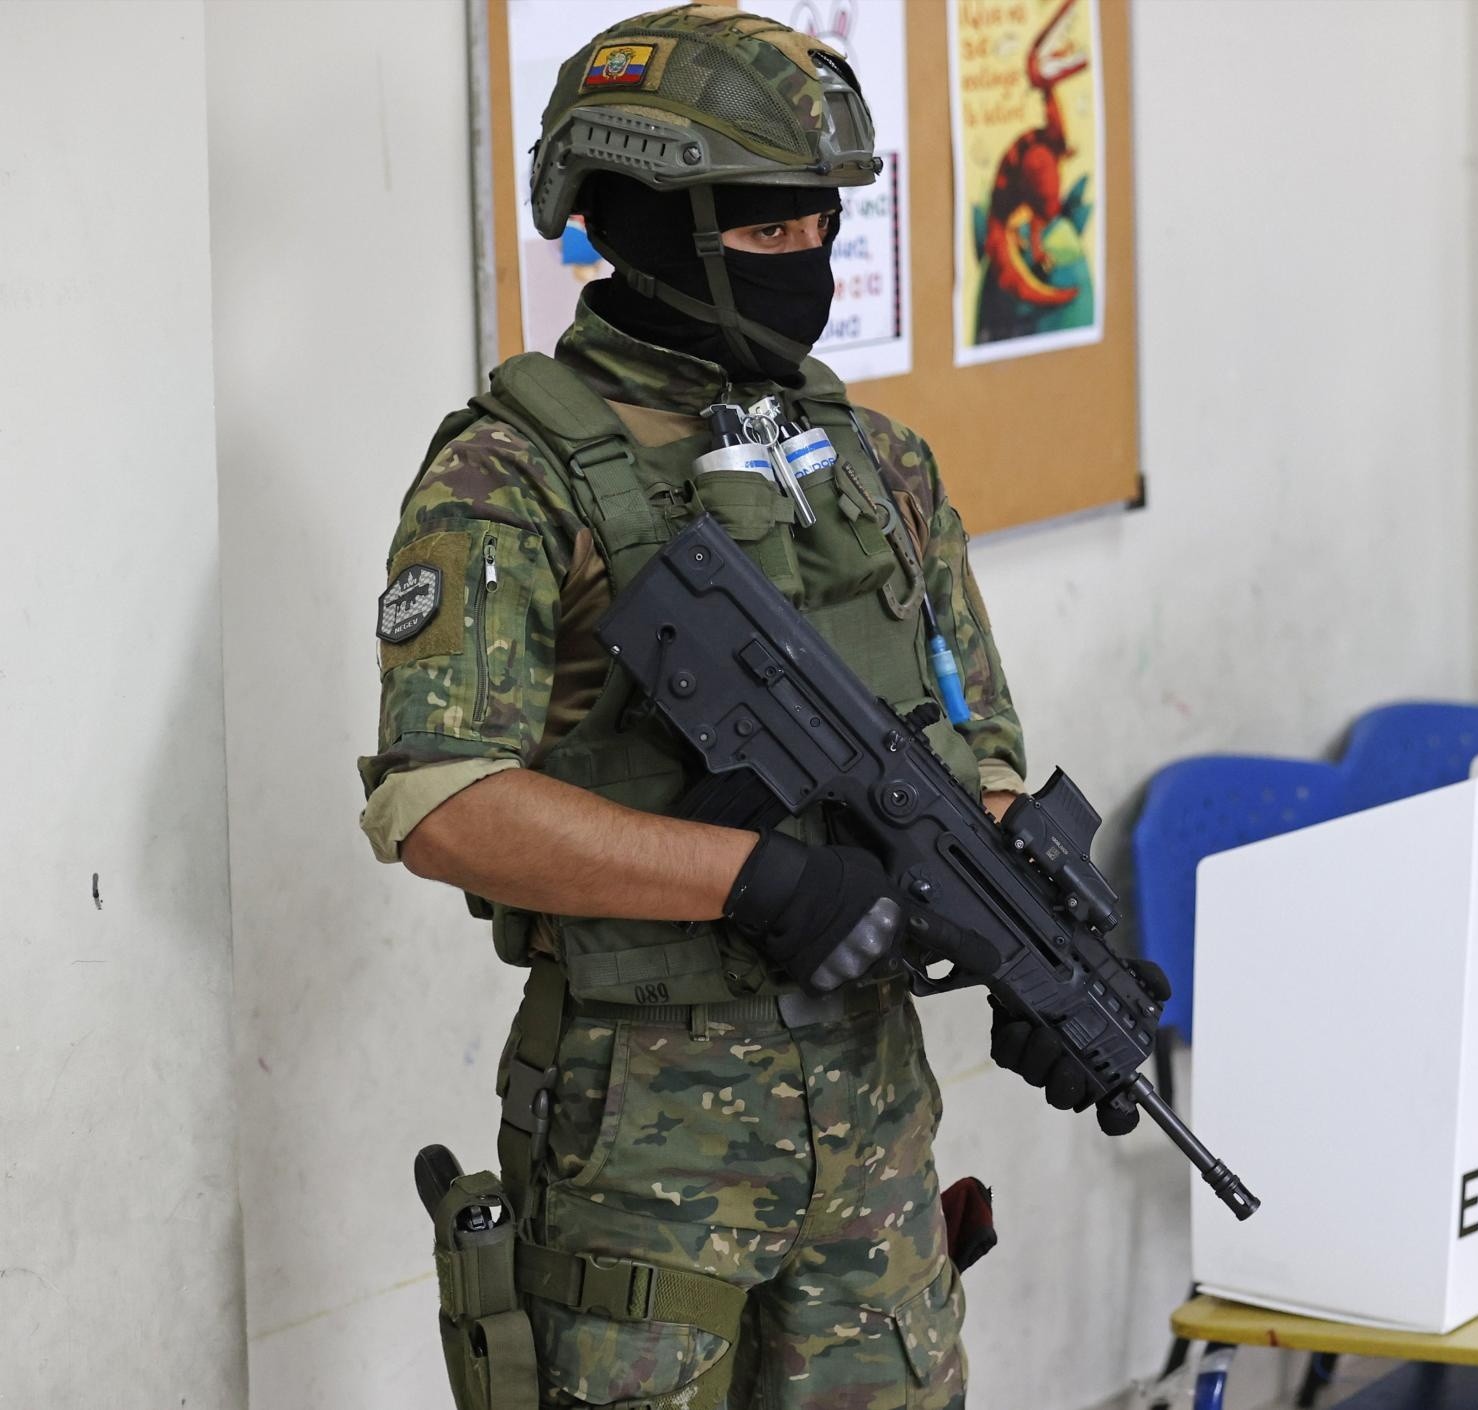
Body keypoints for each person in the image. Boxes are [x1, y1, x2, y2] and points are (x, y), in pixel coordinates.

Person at [357, 8, 1150, 1407]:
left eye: (822, 226)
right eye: (772, 230)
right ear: (642, 218)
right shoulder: (511, 475)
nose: (815, 265)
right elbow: (442, 803)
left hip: (876, 1138)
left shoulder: (880, 462)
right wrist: (753, 876)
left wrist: (1040, 935)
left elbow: (977, 753)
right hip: (639, 1157)